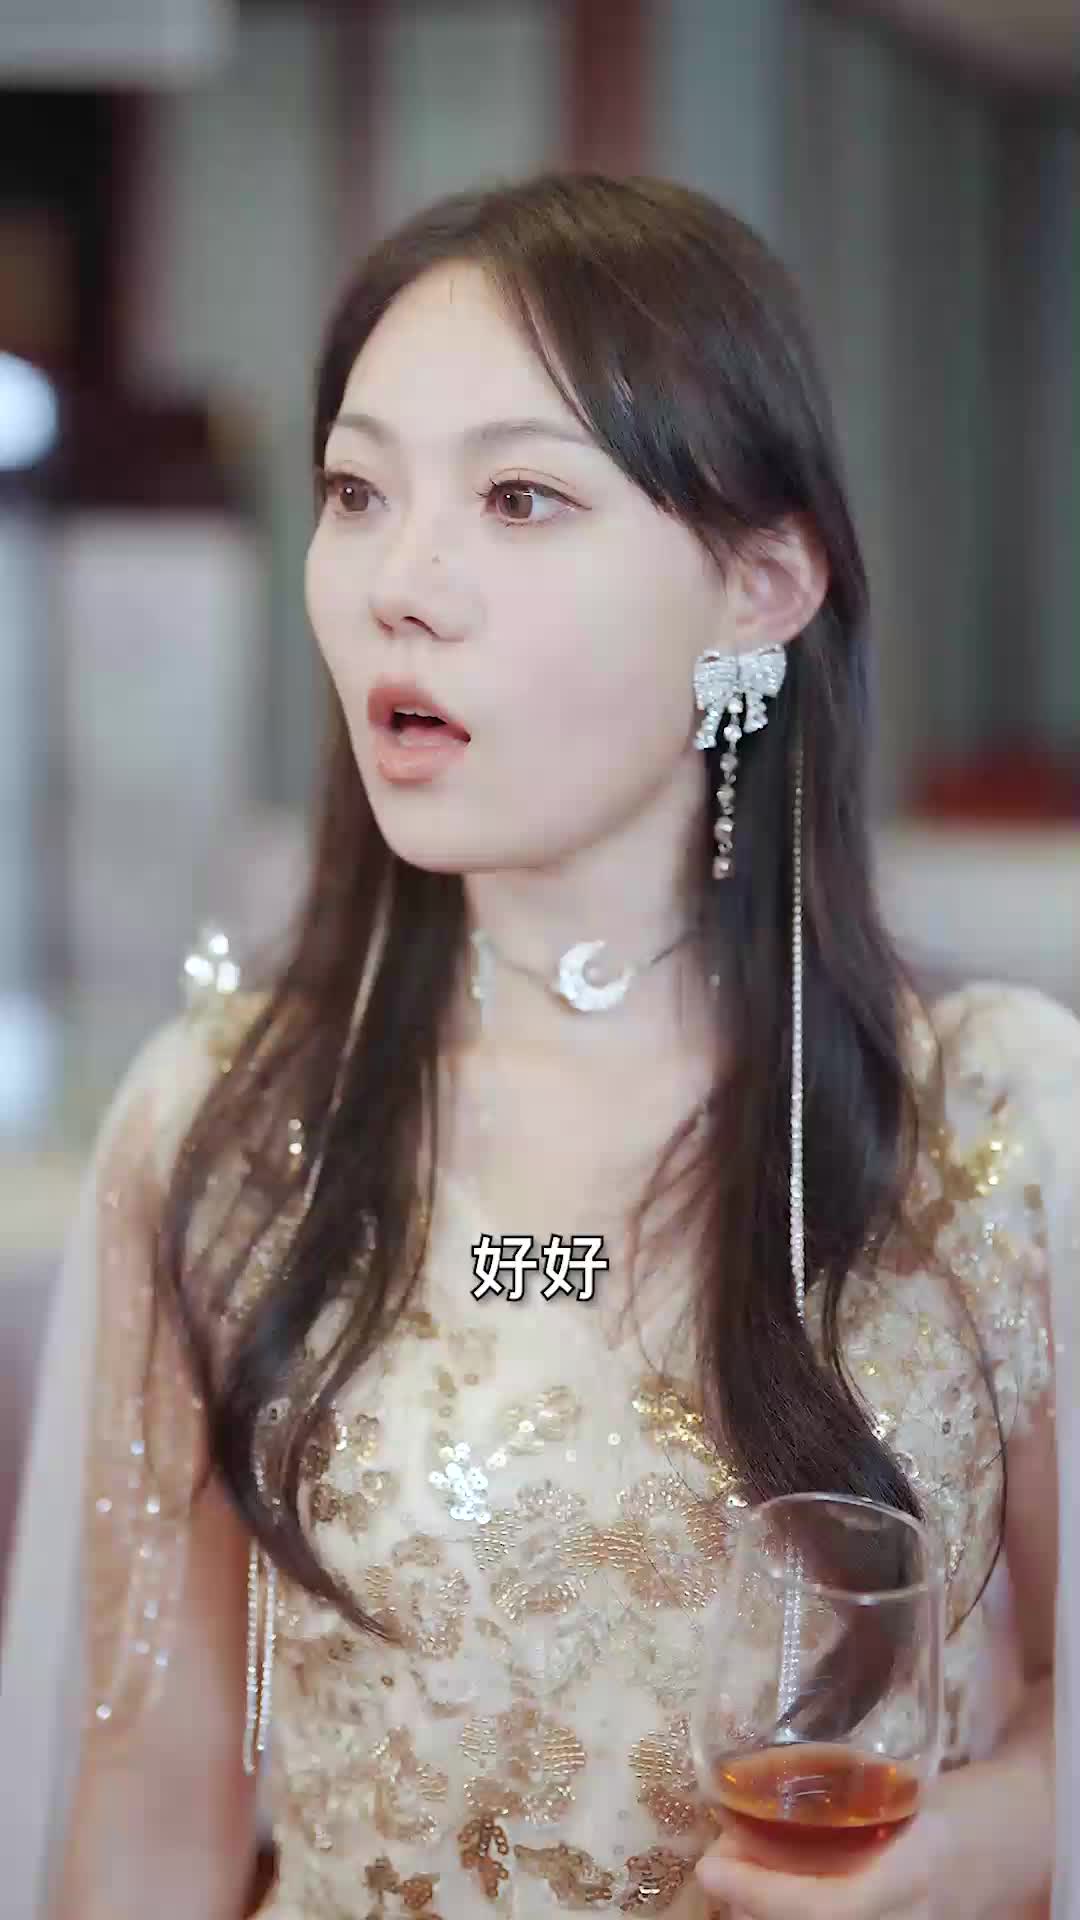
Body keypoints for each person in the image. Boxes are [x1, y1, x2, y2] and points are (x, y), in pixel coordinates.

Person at [1, 173, 1076, 1920]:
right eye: (357, 493)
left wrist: (976, 1848)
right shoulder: (227, 1128)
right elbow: (151, 1806)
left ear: (758, 586)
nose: (400, 586)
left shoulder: (995, 1125)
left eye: (519, 498)